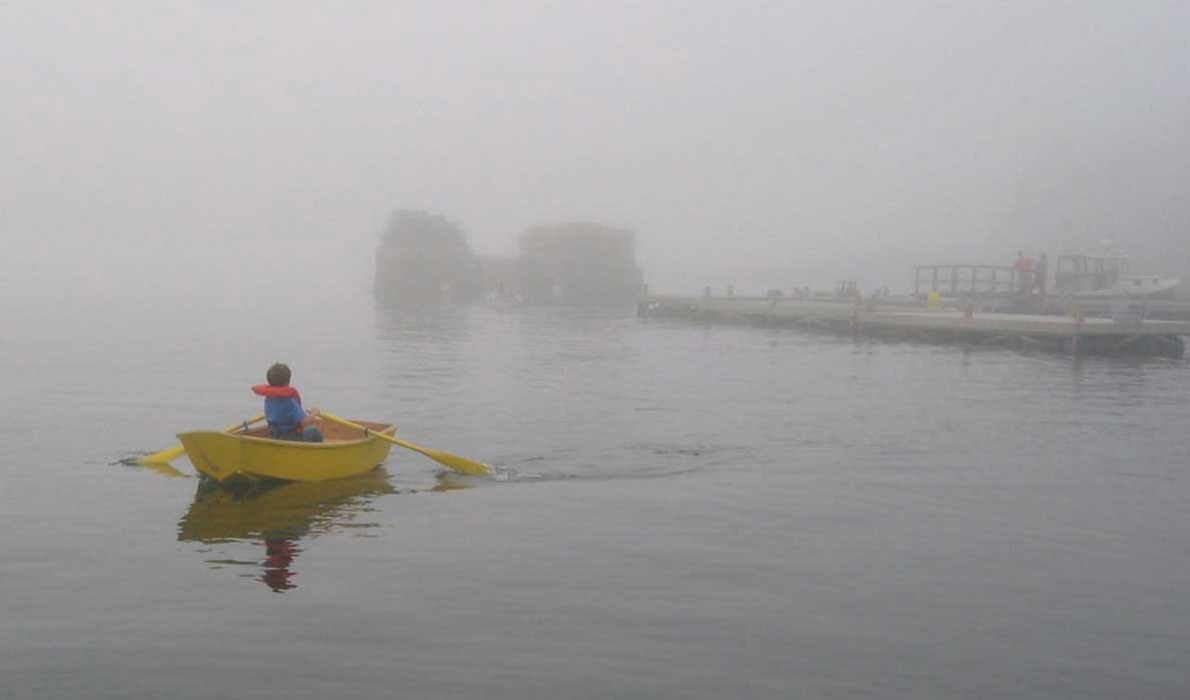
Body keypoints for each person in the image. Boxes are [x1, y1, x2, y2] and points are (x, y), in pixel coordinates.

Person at [252, 363, 323, 442]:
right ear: (287, 382)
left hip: (273, 435)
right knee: (312, 431)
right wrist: (313, 413)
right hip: (289, 437)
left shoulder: (269, 397)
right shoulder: (289, 402)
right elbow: (304, 422)